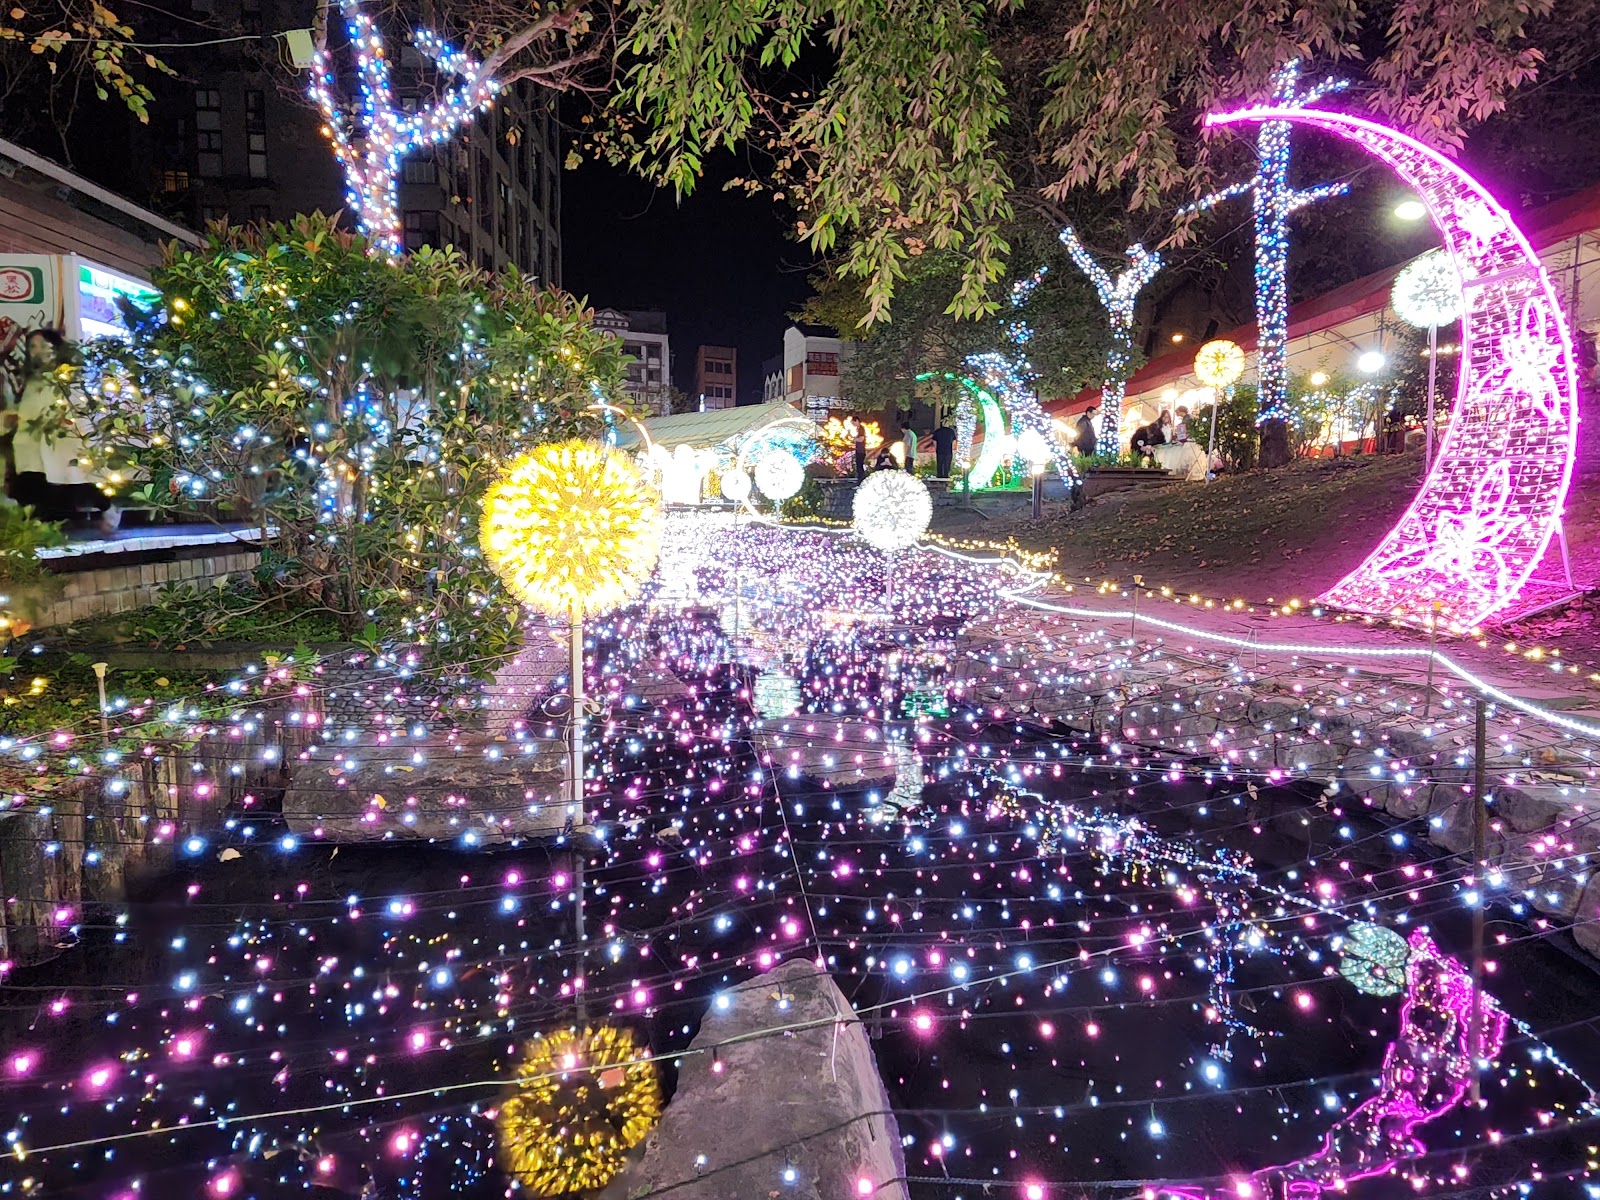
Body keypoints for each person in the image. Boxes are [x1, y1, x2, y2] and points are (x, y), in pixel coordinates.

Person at [3, 328, 119, 530]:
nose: (37, 350)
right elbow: (28, 411)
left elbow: (78, 409)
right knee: (35, 485)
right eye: (32, 346)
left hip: (62, 443)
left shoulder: (69, 377)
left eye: (43, 345)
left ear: (56, 348)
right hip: (31, 447)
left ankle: (106, 509)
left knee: (73, 480)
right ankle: (44, 527)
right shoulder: (31, 380)